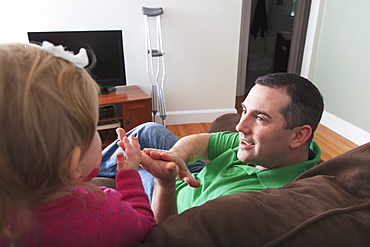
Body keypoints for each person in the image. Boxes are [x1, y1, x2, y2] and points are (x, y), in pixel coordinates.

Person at [99, 73, 324, 222]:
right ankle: (80, 169)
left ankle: (77, 177)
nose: (239, 126)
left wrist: (165, 180)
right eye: (244, 111)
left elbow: (167, 231)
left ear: (298, 136)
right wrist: (175, 157)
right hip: (194, 176)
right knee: (150, 131)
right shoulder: (272, 150)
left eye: (261, 118)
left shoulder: (251, 202)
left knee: (134, 168)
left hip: (168, 199)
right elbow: (205, 141)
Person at [0, 43, 155, 247]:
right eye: (94, 127)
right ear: (72, 161)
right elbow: (144, 224)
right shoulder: (101, 212)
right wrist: (129, 176)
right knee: (151, 154)